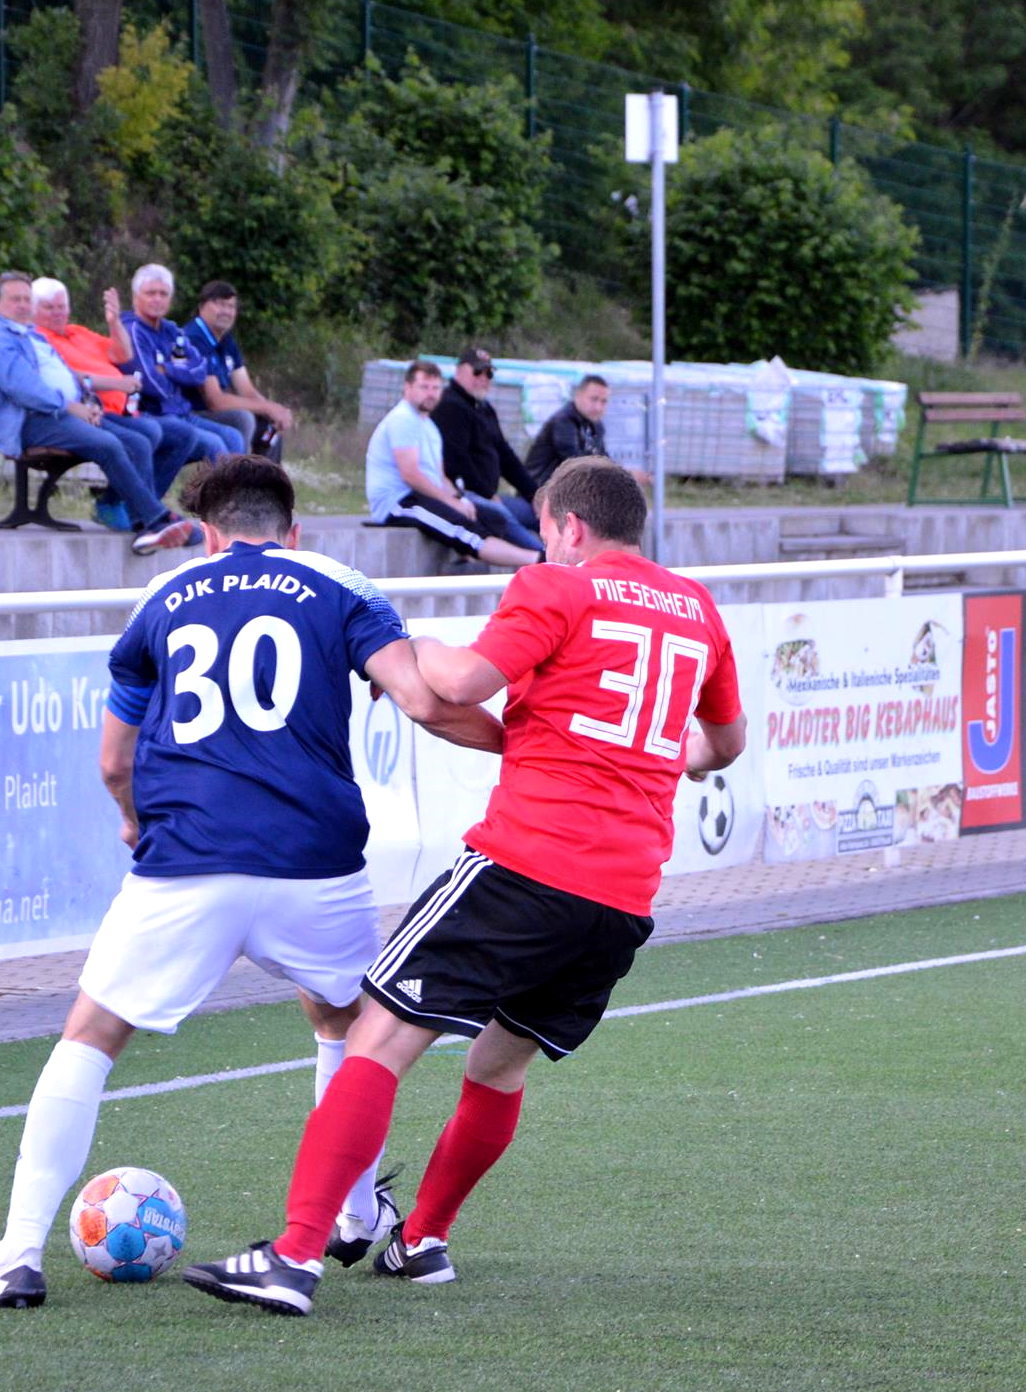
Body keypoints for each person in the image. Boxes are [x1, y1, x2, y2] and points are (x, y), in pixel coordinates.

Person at [0, 456, 505, 1309]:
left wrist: (133, 819)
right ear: (293, 530)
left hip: (189, 860)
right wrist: (522, 747)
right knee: (352, 1029)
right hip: (316, 862)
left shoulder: (162, 597)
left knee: (90, 1035)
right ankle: (354, 1215)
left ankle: (16, 1257)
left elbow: (113, 760)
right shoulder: (340, 585)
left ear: (207, 533)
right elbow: (423, 702)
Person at [182, 457, 747, 1316]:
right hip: (623, 898)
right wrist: (668, 757)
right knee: (498, 1065)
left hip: (527, 865)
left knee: (375, 1041)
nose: (544, 544)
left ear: (569, 528)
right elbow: (726, 743)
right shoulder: (696, 608)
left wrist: (421, 647)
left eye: (545, 529)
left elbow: (457, 684)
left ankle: (293, 1257)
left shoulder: (558, 586)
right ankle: (422, 1241)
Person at [0, 270, 192, 555]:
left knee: (137, 441)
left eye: (26, 299)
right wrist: (72, 407)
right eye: (15, 299)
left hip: (59, 412)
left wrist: (89, 403)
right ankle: (155, 520)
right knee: (108, 444)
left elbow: (66, 375)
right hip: (27, 419)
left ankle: (142, 525)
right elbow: (22, 388)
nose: (23, 305)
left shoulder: (29, 334)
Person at [32, 276, 209, 530]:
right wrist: (116, 384)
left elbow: (123, 354)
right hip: (90, 412)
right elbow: (67, 380)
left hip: (124, 410)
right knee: (147, 434)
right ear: (34, 310)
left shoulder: (77, 332)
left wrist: (114, 322)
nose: (57, 313)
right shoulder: (38, 341)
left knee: (184, 435)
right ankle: (144, 515)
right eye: (49, 307)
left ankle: (136, 506)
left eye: (61, 306)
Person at [365, 361, 541, 569]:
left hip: (422, 497)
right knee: (463, 530)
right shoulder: (402, 419)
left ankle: (518, 563)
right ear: (407, 387)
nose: (430, 394)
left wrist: (459, 500)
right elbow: (410, 475)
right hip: (398, 502)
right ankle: (537, 560)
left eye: (435, 388)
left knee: (492, 518)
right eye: (424, 387)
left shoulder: (428, 425)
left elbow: (439, 476)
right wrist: (450, 503)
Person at [107, 264, 243, 461]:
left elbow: (200, 370)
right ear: (136, 297)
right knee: (214, 444)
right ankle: (217, 484)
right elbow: (149, 382)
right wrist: (177, 379)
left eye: (163, 294)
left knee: (233, 436)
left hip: (181, 413)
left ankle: (241, 482)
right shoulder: (132, 329)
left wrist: (167, 369)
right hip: (152, 412)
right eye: (151, 293)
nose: (157, 299)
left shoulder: (172, 330)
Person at [431, 347, 542, 530]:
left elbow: (506, 457)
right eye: (477, 372)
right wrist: (488, 494)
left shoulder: (484, 408)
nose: (483, 378)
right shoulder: (450, 406)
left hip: (491, 497)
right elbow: (457, 462)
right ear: (459, 372)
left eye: (489, 373)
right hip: (467, 498)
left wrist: (534, 495)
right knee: (521, 536)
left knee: (549, 517)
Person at [184, 281, 291, 464]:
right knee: (242, 418)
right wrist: (266, 408)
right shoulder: (194, 338)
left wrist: (273, 410)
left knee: (269, 424)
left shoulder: (226, 340)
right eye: (220, 304)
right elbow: (215, 401)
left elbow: (247, 390)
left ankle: (268, 479)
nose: (226, 311)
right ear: (202, 306)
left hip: (212, 412)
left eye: (231, 306)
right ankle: (236, 477)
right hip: (192, 413)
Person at [525, 372, 647, 492]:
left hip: (563, 492)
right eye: (594, 399)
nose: (598, 407)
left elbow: (603, 459)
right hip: (537, 493)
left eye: (604, 401)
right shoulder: (563, 422)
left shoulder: (595, 425)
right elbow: (576, 463)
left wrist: (624, 474)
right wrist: (626, 475)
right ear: (578, 396)